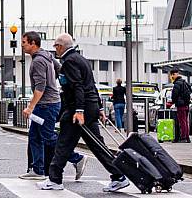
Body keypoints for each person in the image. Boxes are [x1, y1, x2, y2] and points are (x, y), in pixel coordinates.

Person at [38, 33, 129, 192]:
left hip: (78, 110)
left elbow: (78, 87)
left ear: (60, 46)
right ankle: (118, 176)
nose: (55, 50)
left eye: (55, 46)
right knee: (97, 145)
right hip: (90, 107)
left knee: (63, 144)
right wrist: (99, 108)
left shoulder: (69, 62)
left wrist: (79, 110)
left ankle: (54, 179)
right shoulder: (82, 59)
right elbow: (91, 85)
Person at [19, 31, 88, 181]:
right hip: (48, 104)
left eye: (24, 42)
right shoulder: (47, 56)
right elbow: (60, 70)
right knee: (34, 136)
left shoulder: (38, 61)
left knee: (48, 137)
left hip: (46, 106)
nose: (22, 45)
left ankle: (77, 159)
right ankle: (37, 170)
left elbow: (40, 87)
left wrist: (30, 107)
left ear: (33, 43)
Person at [170, 69, 192, 143]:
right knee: (185, 121)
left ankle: (183, 138)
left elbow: (174, 95)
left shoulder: (177, 84)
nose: (172, 77)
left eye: (172, 75)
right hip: (186, 104)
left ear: (173, 74)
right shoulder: (184, 82)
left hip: (181, 105)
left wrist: (174, 101)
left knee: (182, 122)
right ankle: (187, 137)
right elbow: (190, 90)